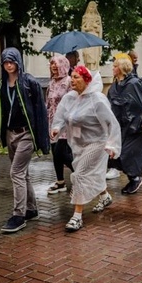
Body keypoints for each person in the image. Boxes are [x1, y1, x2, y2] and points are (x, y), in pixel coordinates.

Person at [51, 66, 121, 232]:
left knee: (80, 174)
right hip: (77, 143)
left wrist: (112, 144)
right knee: (91, 173)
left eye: (76, 77)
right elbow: (61, 116)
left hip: (97, 142)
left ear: (87, 80)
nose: (72, 80)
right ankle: (104, 196)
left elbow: (112, 123)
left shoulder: (97, 99)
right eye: (71, 77)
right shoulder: (69, 98)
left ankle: (77, 216)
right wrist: (57, 128)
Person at [0, 47, 50, 234]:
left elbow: (40, 111)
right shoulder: (0, 85)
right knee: (23, 174)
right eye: (5, 62)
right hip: (10, 134)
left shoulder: (29, 82)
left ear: (18, 62)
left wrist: (41, 138)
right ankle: (31, 209)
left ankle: (18, 215)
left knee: (15, 172)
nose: (9, 65)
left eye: (12, 62)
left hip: (26, 134)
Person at [107, 56, 142, 194]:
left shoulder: (134, 84)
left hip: (135, 127)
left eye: (115, 66)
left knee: (128, 153)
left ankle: (135, 178)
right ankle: (133, 177)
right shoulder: (114, 85)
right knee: (117, 153)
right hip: (120, 127)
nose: (113, 68)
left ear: (122, 68)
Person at [45, 55, 73, 194]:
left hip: (64, 123)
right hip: (52, 121)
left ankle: (82, 174)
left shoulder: (69, 81)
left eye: (56, 66)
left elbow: (73, 100)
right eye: (52, 66)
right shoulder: (51, 83)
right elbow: (47, 103)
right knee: (54, 152)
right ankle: (60, 181)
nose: (54, 68)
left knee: (61, 153)